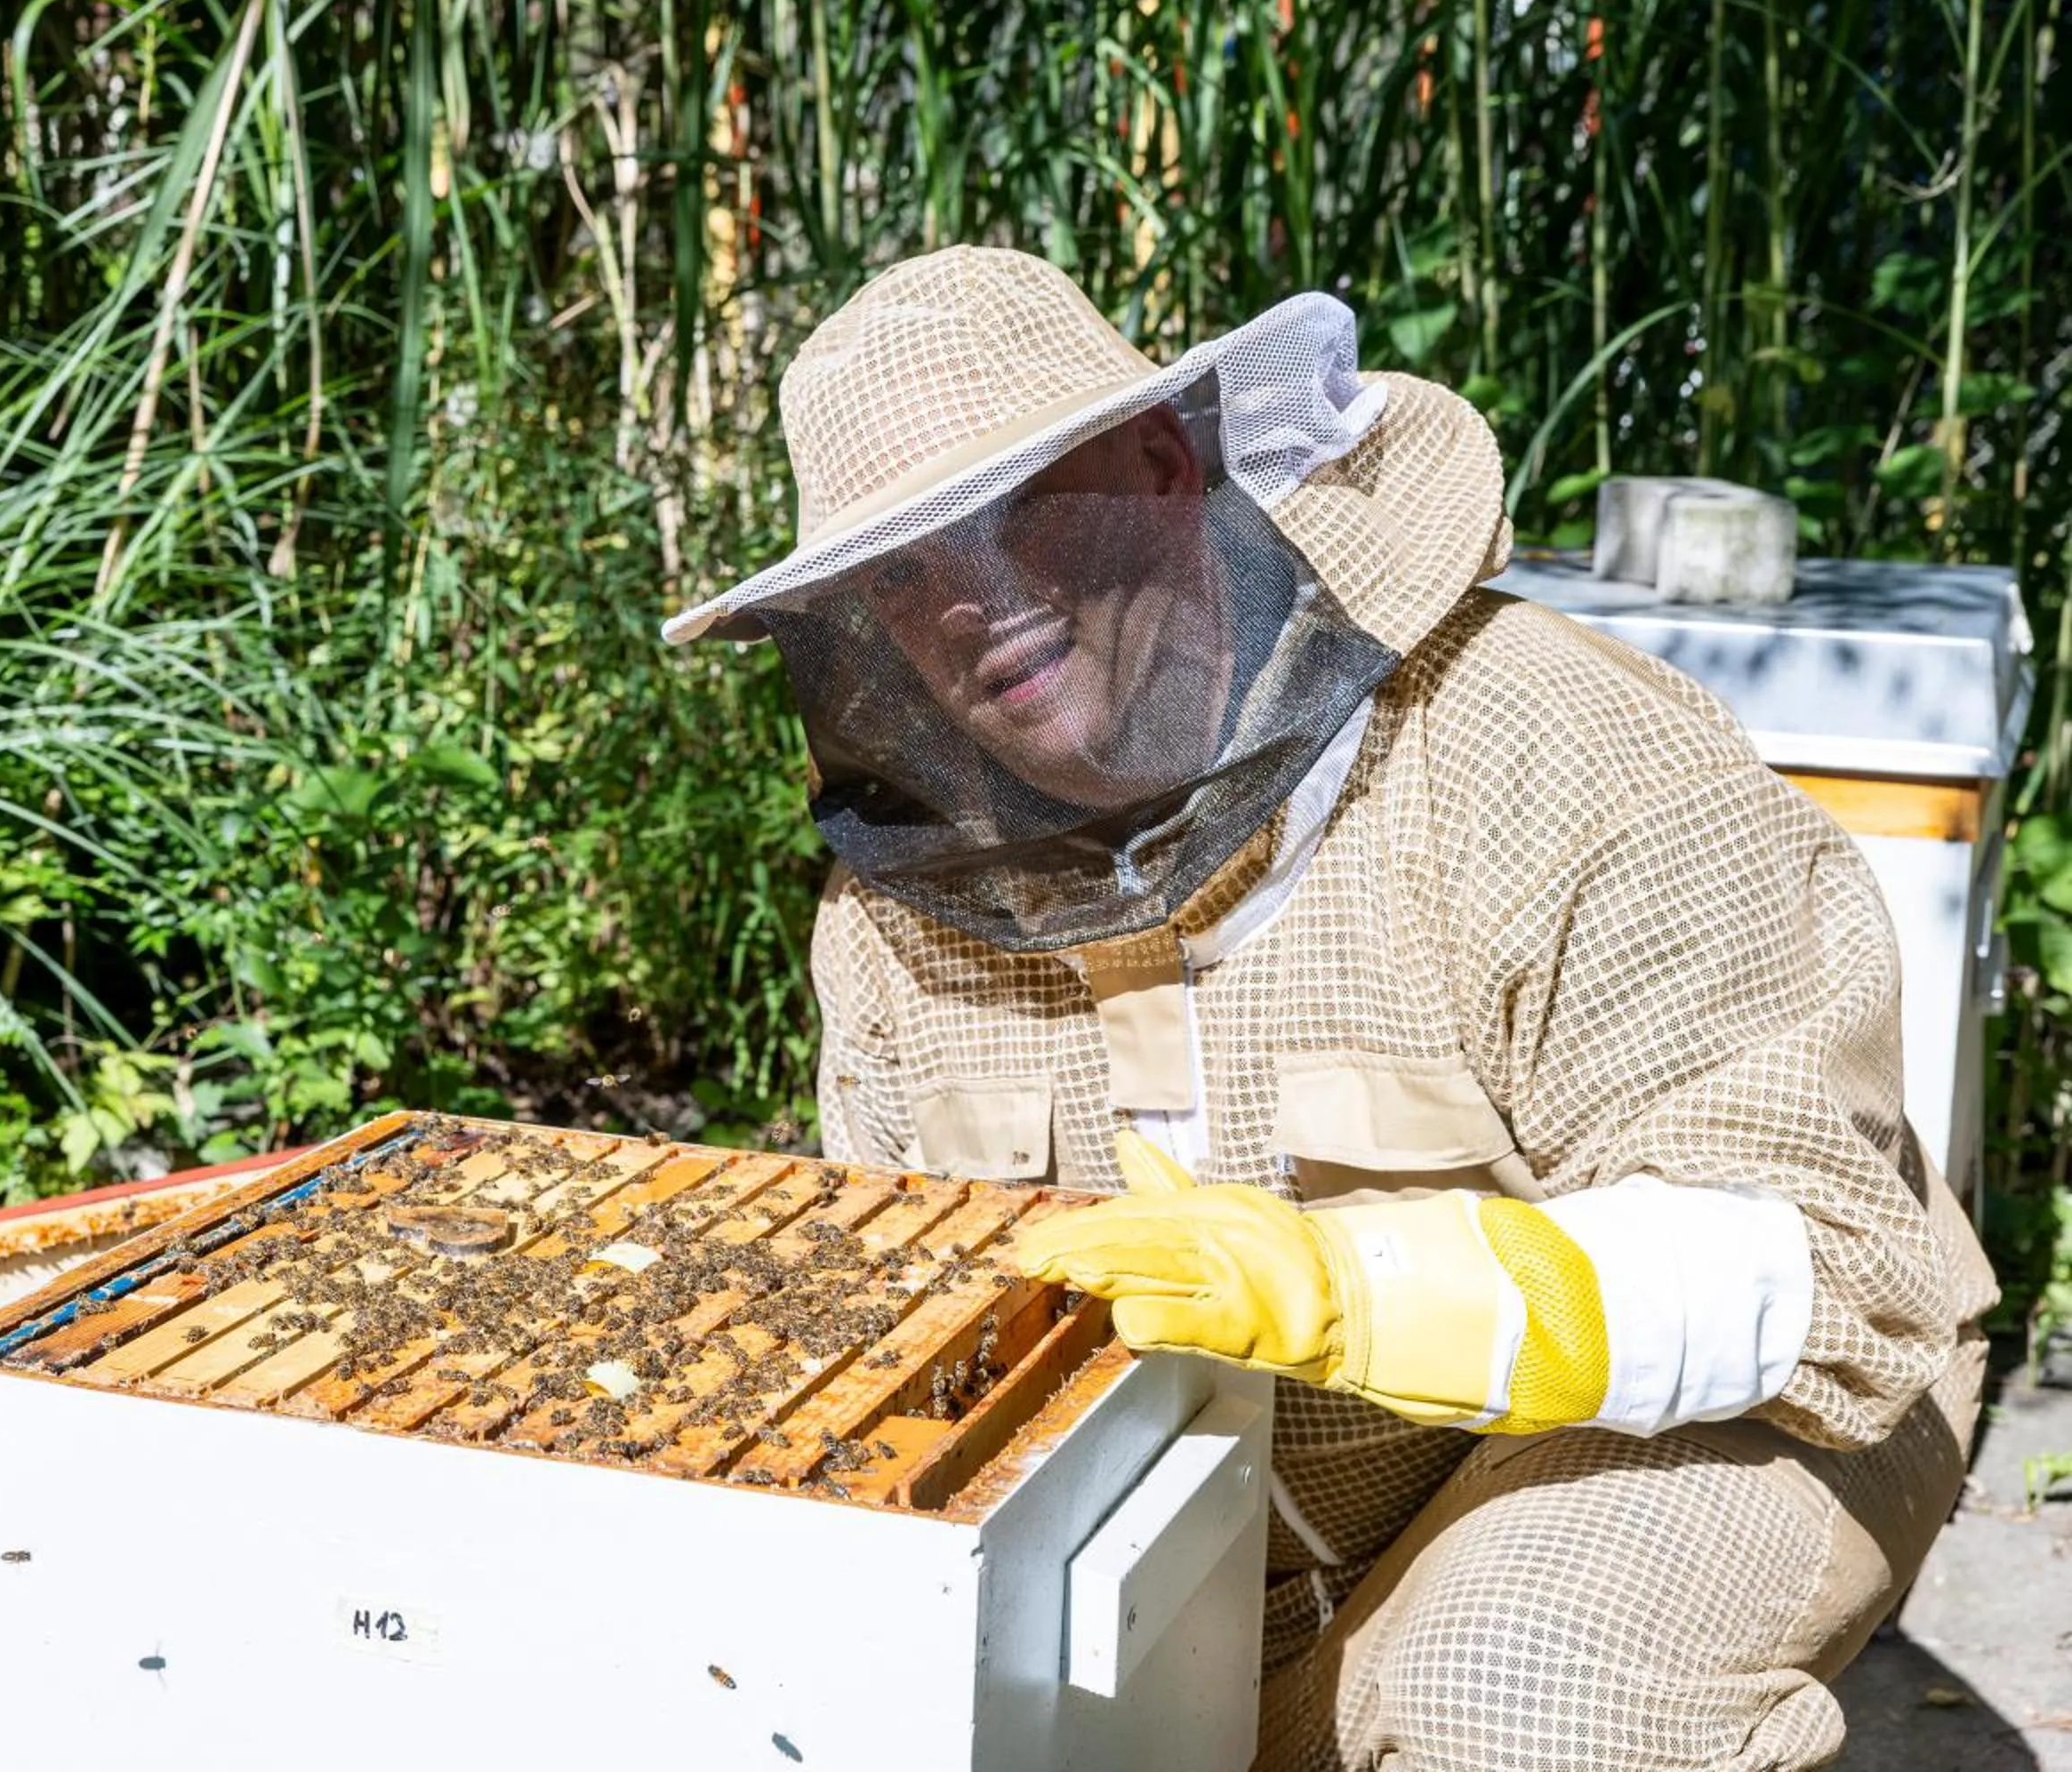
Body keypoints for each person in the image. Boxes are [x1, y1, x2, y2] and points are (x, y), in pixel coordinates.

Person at [663, 246, 1996, 1771]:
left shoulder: (1555, 750)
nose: (976, 602)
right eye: (902, 573)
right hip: (1229, 1554)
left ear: (1167, 464)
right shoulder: (895, 926)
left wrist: (1356, 1292)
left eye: (1019, 512)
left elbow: (1818, 1265)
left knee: (1519, 1694)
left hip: (1737, 1407)